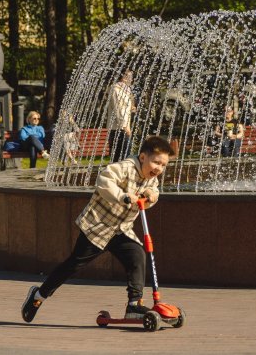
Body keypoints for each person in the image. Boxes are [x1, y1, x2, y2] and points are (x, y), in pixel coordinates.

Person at [21, 135, 171, 323]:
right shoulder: (125, 167)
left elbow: (154, 191)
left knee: (137, 255)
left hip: (121, 229)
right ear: (142, 157)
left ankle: (134, 304)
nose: (158, 168)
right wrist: (123, 196)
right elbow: (104, 180)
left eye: (163, 165)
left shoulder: (151, 178)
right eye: (156, 162)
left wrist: (152, 195)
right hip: (98, 226)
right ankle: (39, 296)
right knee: (73, 264)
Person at [107, 70, 136, 162]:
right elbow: (118, 109)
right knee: (122, 158)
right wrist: (125, 126)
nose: (131, 79)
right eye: (129, 76)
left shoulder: (125, 90)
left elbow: (124, 106)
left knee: (123, 157)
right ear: (123, 77)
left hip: (121, 128)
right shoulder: (116, 89)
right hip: (118, 129)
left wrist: (131, 107)